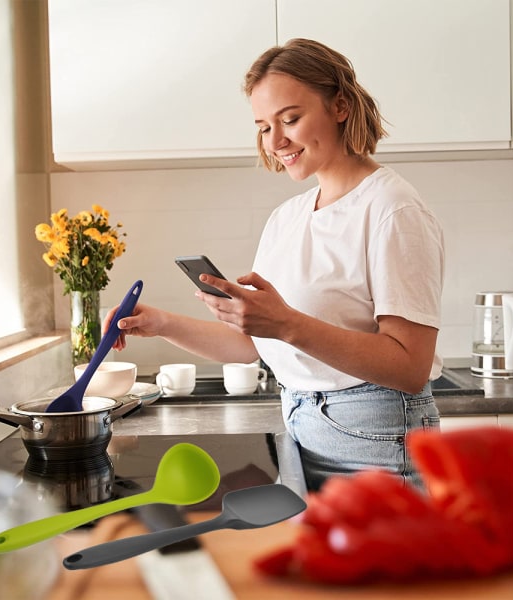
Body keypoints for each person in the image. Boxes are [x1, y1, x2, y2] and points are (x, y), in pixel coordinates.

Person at [105, 38, 444, 491]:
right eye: (264, 126)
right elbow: (253, 346)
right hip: (304, 427)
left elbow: (409, 366)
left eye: (291, 119)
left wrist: (285, 323)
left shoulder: (391, 209)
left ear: (340, 106)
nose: (277, 140)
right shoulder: (288, 217)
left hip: (377, 436)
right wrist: (161, 323)